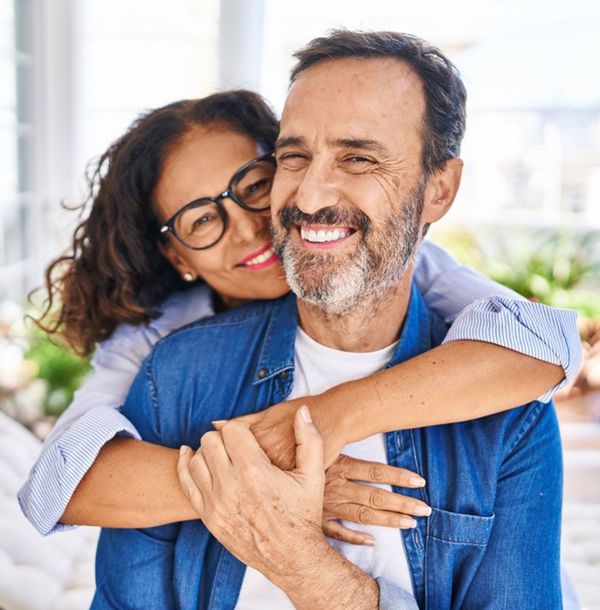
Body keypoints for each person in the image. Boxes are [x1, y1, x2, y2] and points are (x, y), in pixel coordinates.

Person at [90, 31, 567, 609]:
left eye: (358, 158)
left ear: (439, 190)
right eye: (293, 158)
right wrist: (234, 485)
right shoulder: (176, 375)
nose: (311, 195)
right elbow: (57, 485)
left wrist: (307, 569)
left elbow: (553, 341)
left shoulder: (508, 414)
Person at [17, 89, 577, 543]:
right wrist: (271, 487)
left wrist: (327, 416)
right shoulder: (162, 336)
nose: (245, 228)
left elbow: (544, 344)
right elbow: (59, 483)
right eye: (200, 221)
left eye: (254, 187)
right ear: (177, 256)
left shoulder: (397, 265)